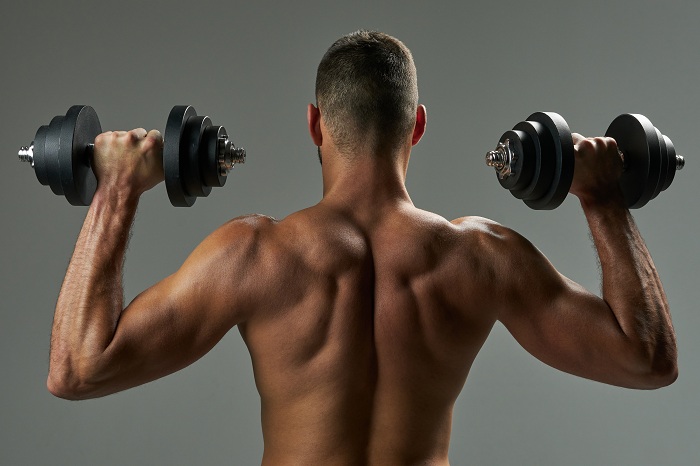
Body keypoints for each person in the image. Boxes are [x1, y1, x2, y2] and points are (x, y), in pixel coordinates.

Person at [47, 31, 678, 465]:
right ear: (418, 126)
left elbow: (76, 370)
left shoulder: (253, 255)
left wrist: (118, 191)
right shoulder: (482, 258)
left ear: (316, 124)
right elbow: (647, 360)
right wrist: (602, 199)